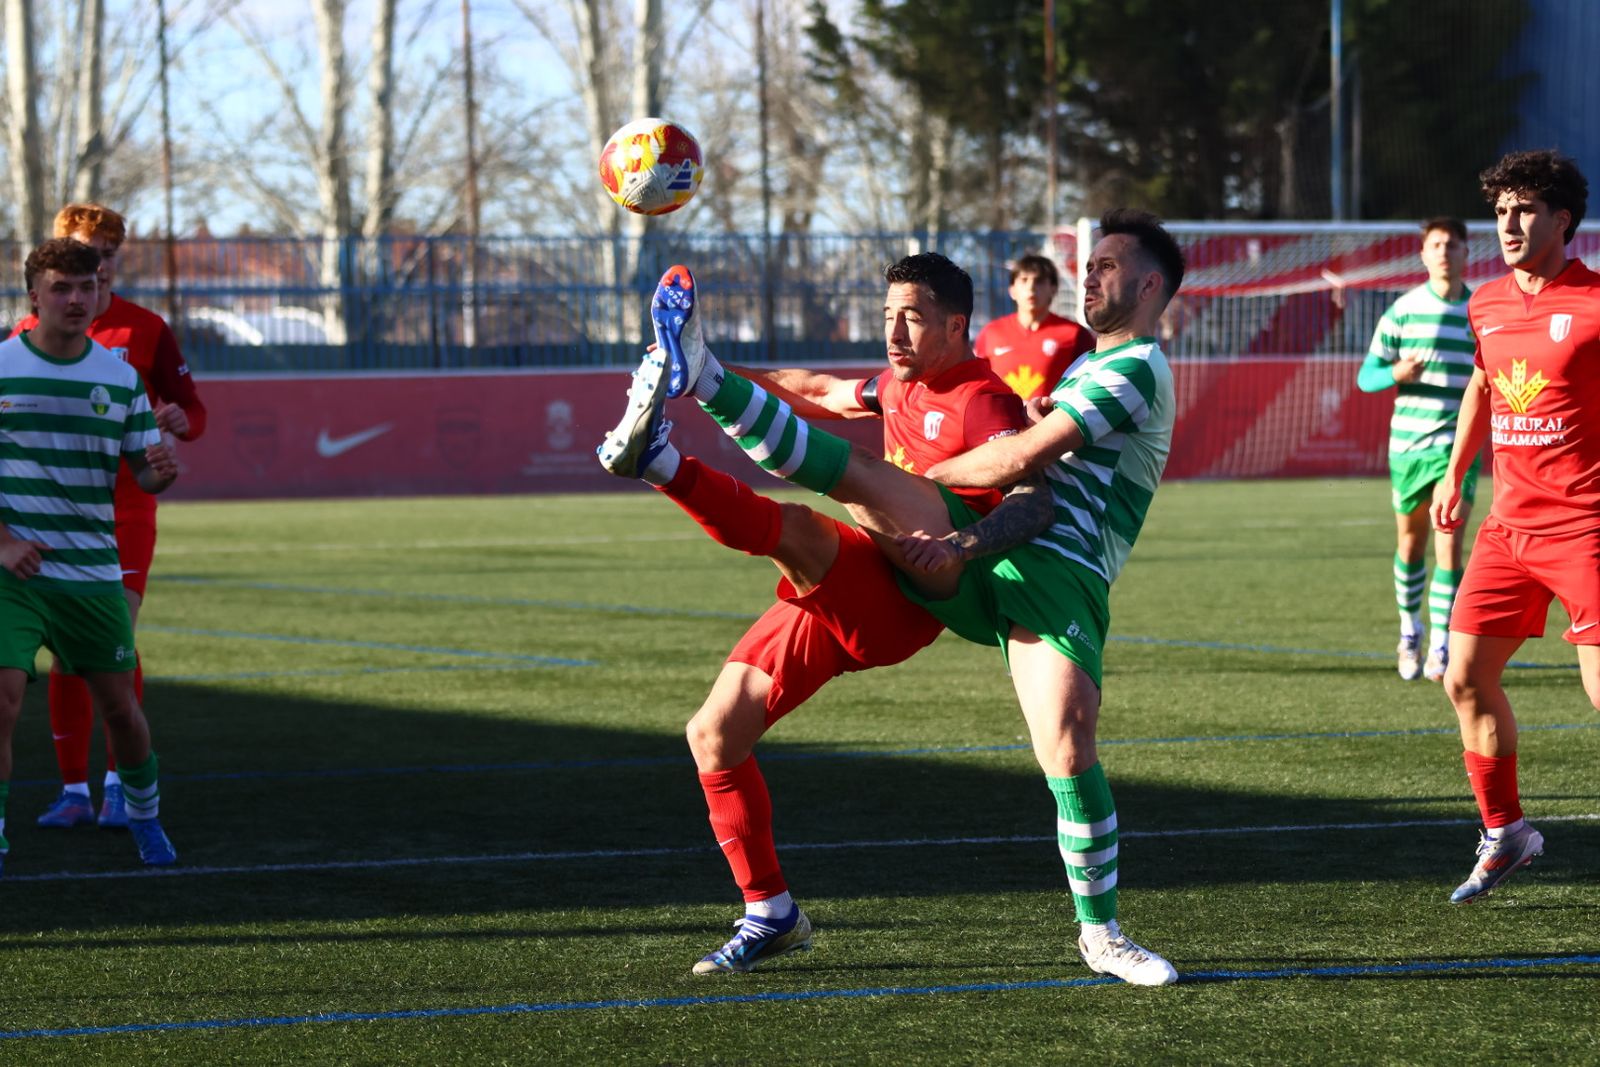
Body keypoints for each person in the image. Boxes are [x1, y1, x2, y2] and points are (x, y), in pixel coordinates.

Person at [612, 209, 1186, 986]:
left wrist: (934, 506)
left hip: (1040, 571)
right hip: (954, 561)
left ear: (1151, 285)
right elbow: (815, 388)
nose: (1088, 276)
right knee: (774, 594)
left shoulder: (1128, 369)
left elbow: (1026, 474)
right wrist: (697, 370)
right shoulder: (1074, 369)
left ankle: (1102, 933)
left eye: (1107, 265)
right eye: (1088, 264)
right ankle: (676, 428)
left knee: (1067, 743)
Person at [596, 253, 1050, 975]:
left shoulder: (984, 400)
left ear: (957, 324)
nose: (894, 331)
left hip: (912, 599)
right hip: (856, 578)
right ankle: (771, 911)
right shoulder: (896, 382)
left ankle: (662, 461)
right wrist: (699, 364)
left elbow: (1035, 498)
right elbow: (817, 389)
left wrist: (964, 542)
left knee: (810, 525)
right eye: (886, 315)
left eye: (912, 316)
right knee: (714, 734)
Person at [1431, 149, 1599, 904]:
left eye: (1524, 209)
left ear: (1563, 220)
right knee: (1462, 676)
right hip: (1508, 530)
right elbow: (1482, 382)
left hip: (1587, 529)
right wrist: (1454, 469)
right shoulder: (1486, 302)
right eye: (1500, 211)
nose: (1508, 222)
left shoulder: (1596, 300)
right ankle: (1507, 832)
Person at [12, 204, 207, 831]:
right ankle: (74, 789)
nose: (92, 267)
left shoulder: (145, 327)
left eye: (105, 254)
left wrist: (179, 423)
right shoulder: (24, 334)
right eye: (79, 250)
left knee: (110, 646)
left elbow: (192, 410)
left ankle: (121, 784)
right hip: (44, 515)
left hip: (124, 510)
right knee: (63, 655)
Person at [1358, 218, 1478, 682]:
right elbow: (1366, 377)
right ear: (1424, 255)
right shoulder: (1402, 312)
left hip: (1457, 450)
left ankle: (1444, 645)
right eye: (1436, 245)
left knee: (1449, 547)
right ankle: (1410, 633)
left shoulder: (1479, 311)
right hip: (1408, 446)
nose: (1445, 252)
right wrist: (1396, 373)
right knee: (1411, 543)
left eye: (1452, 244)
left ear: (1467, 252)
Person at [974, 253, 1095, 402]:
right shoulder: (991, 332)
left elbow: (1090, 386)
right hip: (1001, 422)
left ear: (1053, 288)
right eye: (1024, 280)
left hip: (1053, 423)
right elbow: (977, 383)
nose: (1031, 287)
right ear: (1012, 290)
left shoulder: (1075, 334)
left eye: (1039, 281)